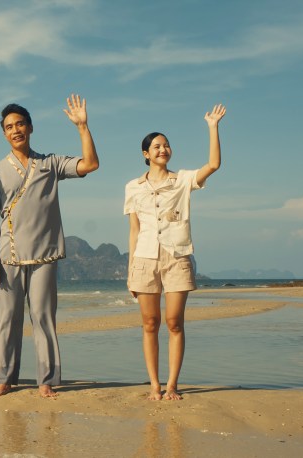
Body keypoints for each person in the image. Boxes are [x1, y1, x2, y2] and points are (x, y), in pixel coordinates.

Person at [0, 95, 100, 398]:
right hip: (8, 255)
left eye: (20, 124)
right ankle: (5, 379)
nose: (15, 130)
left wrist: (83, 127)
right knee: (7, 320)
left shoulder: (51, 163)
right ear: (4, 133)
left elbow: (91, 164)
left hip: (46, 254)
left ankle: (46, 380)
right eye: (9, 127)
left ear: (30, 127)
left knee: (43, 318)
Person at [124, 104, 226, 401]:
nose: (163, 149)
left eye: (166, 145)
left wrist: (212, 126)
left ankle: (172, 385)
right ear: (146, 154)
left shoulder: (181, 180)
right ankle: (154, 385)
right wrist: (132, 270)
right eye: (156, 146)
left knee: (174, 323)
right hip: (144, 258)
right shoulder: (133, 186)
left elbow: (214, 165)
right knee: (150, 324)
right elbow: (134, 230)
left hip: (177, 257)